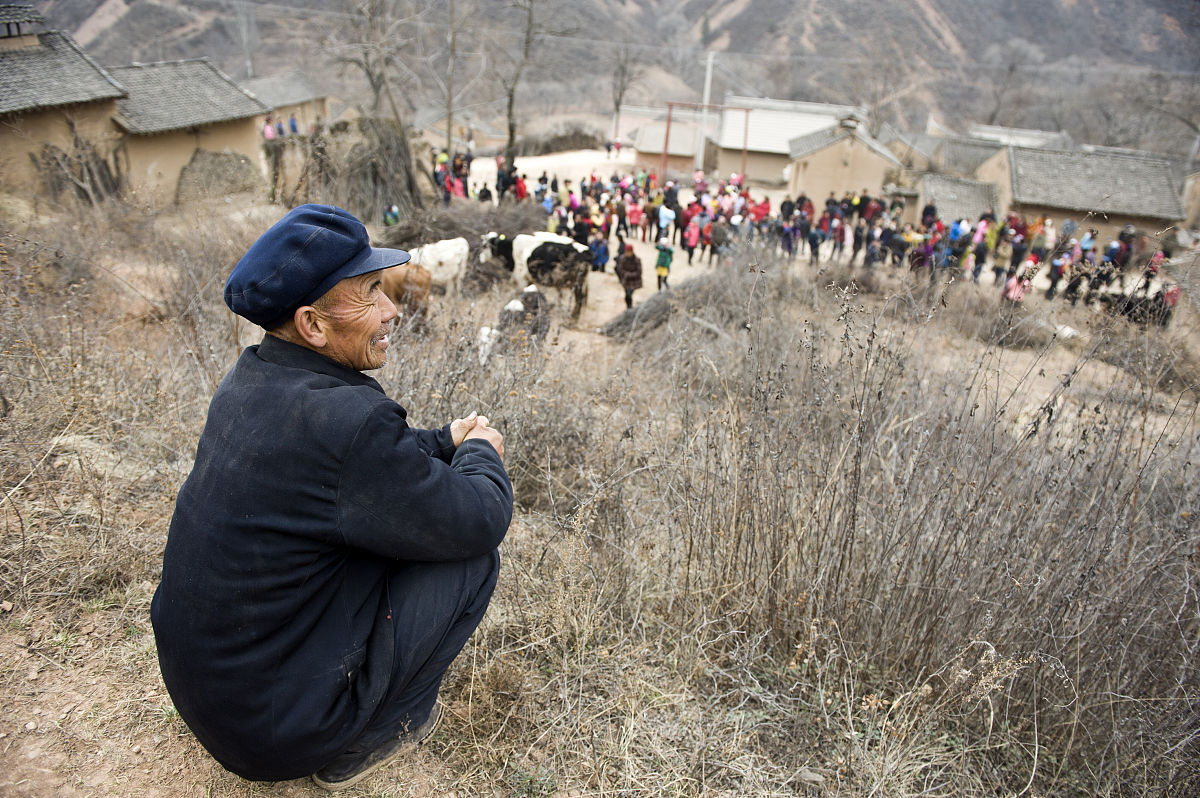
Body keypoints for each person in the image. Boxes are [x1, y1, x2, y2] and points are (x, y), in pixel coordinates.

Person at [151, 204, 512, 790]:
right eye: (370, 292)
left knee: (386, 529)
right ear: (313, 325)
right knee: (470, 559)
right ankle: (368, 738)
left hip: (213, 700)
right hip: (276, 738)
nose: (392, 308)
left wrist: (445, 440)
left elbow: (369, 465)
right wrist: (481, 452)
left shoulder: (254, 380)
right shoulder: (347, 423)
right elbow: (480, 517)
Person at [615, 242, 643, 309]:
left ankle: (630, 307)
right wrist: (625, 274)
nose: (628, 253)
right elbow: (620, 269)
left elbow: (639, 271)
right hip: (626, 280)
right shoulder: (622, 258)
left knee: (629, 294)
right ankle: (628, 306)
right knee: (626, 295)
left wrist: (630, 275)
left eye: (629, 252)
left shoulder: (637, 260)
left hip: (634, 281)